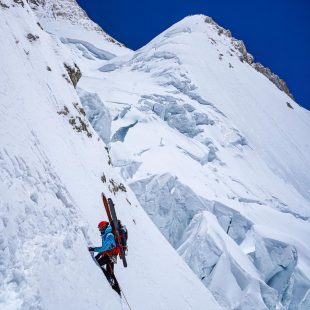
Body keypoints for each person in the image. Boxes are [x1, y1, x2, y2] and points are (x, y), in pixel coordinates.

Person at [88, 220, 121, 295]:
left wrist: (93, 249)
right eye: (99, 229)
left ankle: (111, 282)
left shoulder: (109, 235)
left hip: (111, 255)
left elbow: (104, 248)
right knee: (110, 271)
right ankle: (117, 289)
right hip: (112, 255)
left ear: (104, 227)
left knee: (98, 264)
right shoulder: (106, 234)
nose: (100, 230)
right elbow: (106, 247)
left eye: (100, 228)